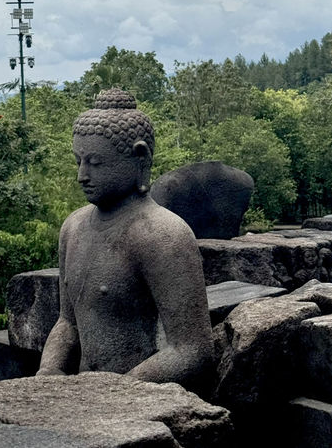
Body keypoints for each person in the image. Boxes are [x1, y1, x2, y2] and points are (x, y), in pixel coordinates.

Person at [37, 89, 215, 394]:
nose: (82, 175)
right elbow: (68, 323)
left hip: (142, 398)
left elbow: (191, 351)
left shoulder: (163, 235)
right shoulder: (73, 227)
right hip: (82, 396)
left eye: (95, 163)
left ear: (139, 157)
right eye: (78, 161)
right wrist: (48, 372)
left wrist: (119, 392)